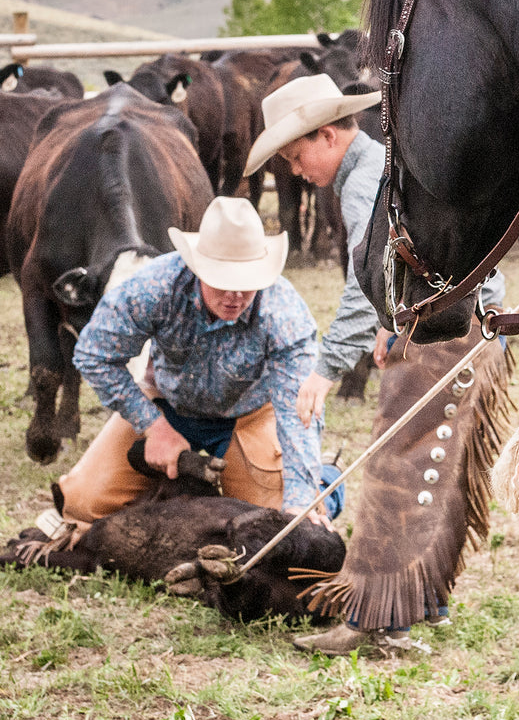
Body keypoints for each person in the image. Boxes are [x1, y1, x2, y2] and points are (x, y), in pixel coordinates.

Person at [243, 73, 513, 655]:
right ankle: (423, 601)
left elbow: (369, 276)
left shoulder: (367, 179)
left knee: (399, 468)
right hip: (476, 327)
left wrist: (326, 365)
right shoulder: (390, 167)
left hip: (444, 330)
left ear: (330, 135)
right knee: (440, 466)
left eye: (296, 155)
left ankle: (378, 621)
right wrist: (389, 325)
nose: (295, 171)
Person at [56, 196, 327, 528]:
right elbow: (94, 354)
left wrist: (300, 501)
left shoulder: (284, 312)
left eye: (247, 283)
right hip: (166, 405)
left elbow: (296, 410)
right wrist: (153, 425)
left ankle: (324, 478)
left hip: (249, 417)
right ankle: (171, 483)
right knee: (83, 503)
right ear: (199, 268)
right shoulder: (156, 286)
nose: (235, 296)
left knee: (276, 525)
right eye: (223, 281)